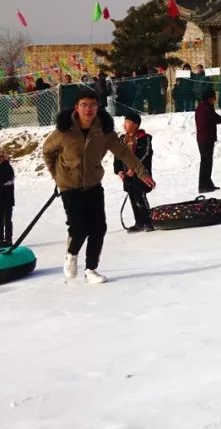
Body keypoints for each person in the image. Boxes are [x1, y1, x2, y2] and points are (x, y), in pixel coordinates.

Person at [43, 88, 155, 284]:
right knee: (79, 228)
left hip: (93, 184)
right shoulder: (64, 131)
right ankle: (71, 254)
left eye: (93, 105)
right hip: (69, 186)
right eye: (84, 105)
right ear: (76, 108)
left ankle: (91, 269)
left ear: (98, 107)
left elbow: (124, 154)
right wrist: (57, 176)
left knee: (98, 227)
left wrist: (142, 172)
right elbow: (47, 152)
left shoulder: (103, 131)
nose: (89, 109)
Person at [113, 112, 155, 232]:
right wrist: (119, 171)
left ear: (135, 125)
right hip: (127, 175)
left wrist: (134, 169)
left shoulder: (144, 138)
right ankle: (139, 222)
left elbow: (146, 155)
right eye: (124, 122)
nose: (124, 125)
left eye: (127, 122)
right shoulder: (122, 139)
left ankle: (148, 221)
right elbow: (118, 156)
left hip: (141, 174)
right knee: (132, 196)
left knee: (140, 196)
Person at [195, 88, 221, 192]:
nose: (214, 100)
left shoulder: (200, 107)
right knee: (206, 162)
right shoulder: (207, 108)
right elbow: (216, 118)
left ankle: (208, 183)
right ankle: (203, 185)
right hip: (206, 138)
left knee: (206, 161)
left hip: (202, 138)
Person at [0, 151, 14, 247]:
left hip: (7, 199)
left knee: (7, 220)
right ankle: (1, 239)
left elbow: (9, 184)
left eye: (1, 156)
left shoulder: (8, 168)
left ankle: (8, 240)